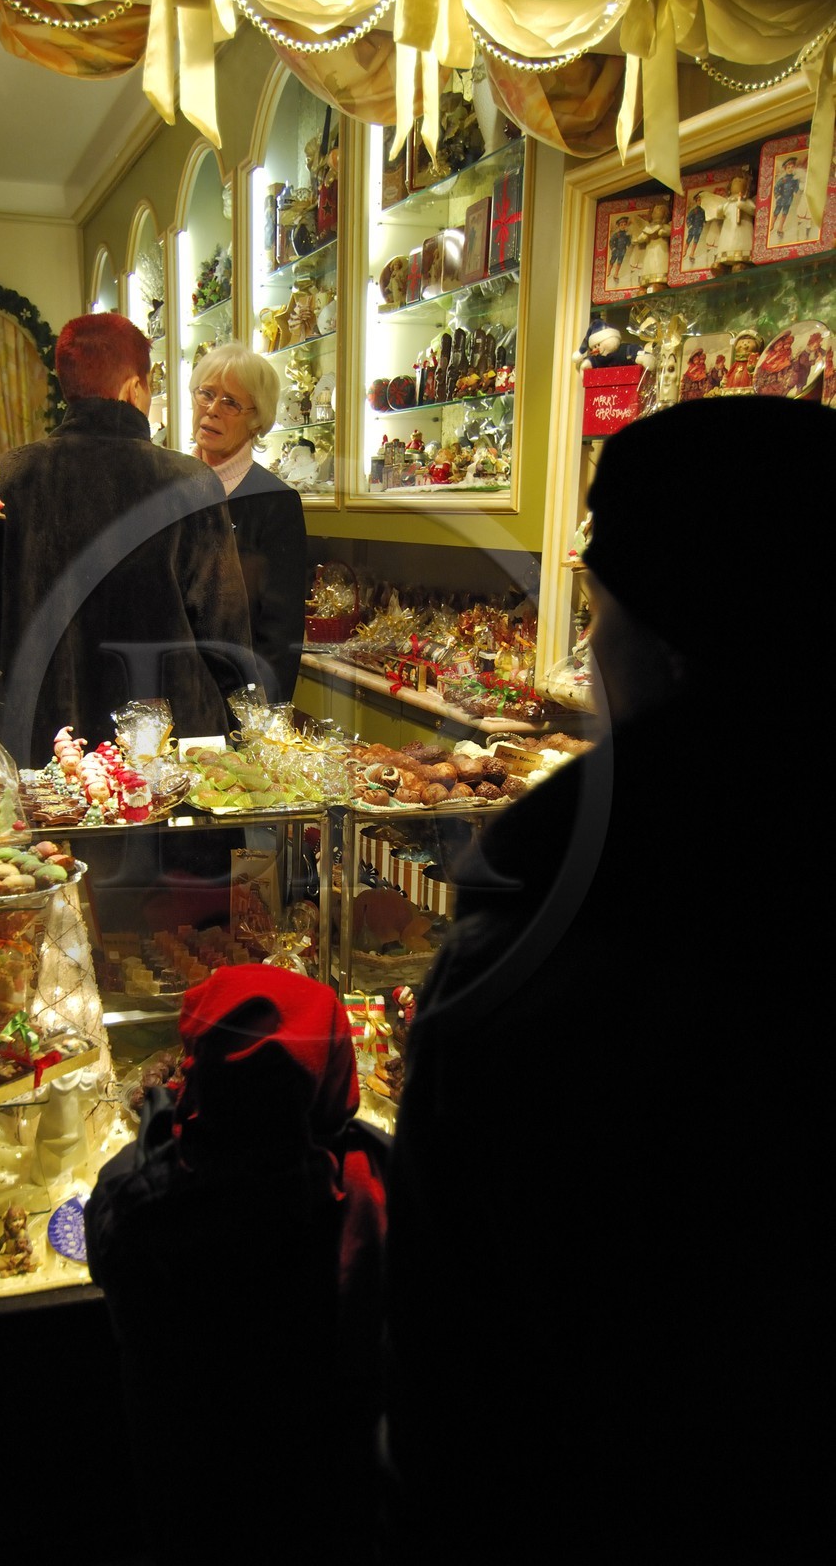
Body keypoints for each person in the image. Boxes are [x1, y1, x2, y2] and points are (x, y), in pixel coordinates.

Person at [383, 395, 827, 1566]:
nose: (588, 655)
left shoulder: (564, 936)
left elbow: (466, 1352)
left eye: (598, 616)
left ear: (673, 645)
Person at [85, 964, 390, 1566]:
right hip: (332, 1510)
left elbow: (113, 1210)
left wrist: (159, 1132)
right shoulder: (370, 1185)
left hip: (190, 1511)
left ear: (198, 1075)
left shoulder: (143, 1206)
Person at [0, 313, 255, 767]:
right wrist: (245, 739)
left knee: (55, 838)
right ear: (133, 388)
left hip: (47, 747)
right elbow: (225, 633)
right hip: (166, 751)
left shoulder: (6, 479)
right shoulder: (190, 483)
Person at [190, 343, 307, 705]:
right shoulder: (167, 487)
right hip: (167, 694)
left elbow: (280, 633)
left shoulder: (274, 502)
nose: (211, 409)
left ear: (257, 419)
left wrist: (260, 720)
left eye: (230, 403)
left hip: (235, 704)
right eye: (206, 394)